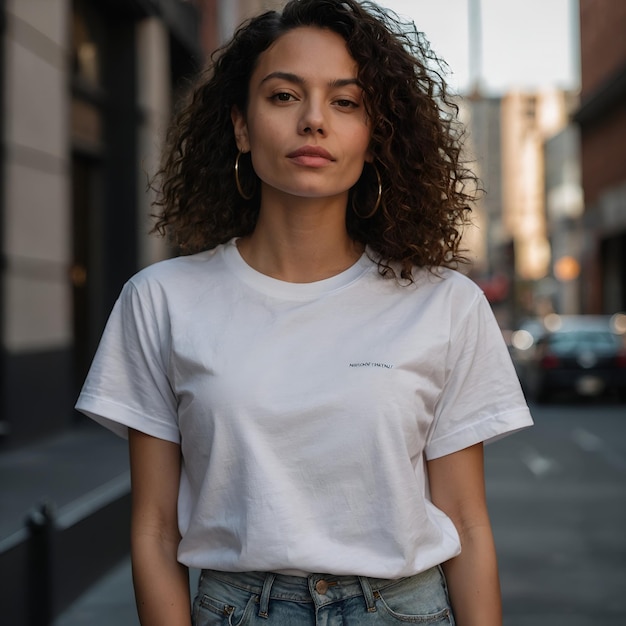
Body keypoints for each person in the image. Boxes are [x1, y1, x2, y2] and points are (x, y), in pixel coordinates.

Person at [76, 1, 533, 624]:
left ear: (375, 137)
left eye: (345, 102)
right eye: (285, 96)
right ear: (240, 126)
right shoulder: (162, 300)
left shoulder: (443, 304)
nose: (314, 121)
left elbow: (468, 525)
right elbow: (154, 531)